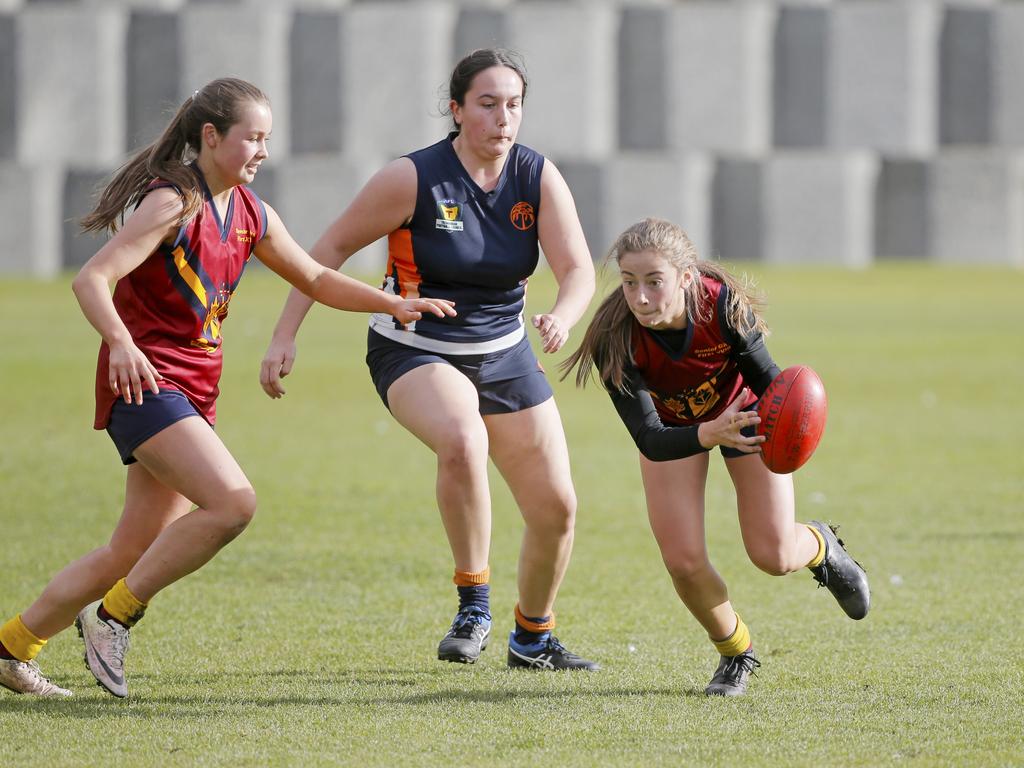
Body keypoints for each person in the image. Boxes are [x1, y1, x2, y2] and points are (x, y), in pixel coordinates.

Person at [0, 78, 455, 699]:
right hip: (147, 382)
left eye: (269, 138)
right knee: (234, 503)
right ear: (211, 137)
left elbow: (318, 277)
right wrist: (123, 343)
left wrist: (395, 304)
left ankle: (11, 648)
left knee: (128, 550)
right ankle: (113, 617)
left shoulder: (250, 211)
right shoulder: (170, 204)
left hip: (193, 391)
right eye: (254, 138)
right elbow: (92, 280)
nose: (263, 151)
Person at [260, 49, 599, 671]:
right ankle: (474, 603)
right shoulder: (413, 178)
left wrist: (563, 315)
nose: (503, 118)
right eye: (487, 104)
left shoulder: (537, 176)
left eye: (514, 105)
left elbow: (578, 268)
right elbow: (325, 250)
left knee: (557, 509)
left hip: (504, 352)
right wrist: (286, 334)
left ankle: (532, 638)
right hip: (414, 348)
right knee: (463, 438)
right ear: (456, 108)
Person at [561, 217, 869, 696]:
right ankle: (736, 652)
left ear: (685, 277)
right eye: (628, 282)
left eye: (654, 282)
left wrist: (783, 428)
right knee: (683, 561)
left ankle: (821, 546)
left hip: (741, 416)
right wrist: (707, 432)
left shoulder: (721, 304)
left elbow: (769, 382)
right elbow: (649, 436)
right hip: (674, 431)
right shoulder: (615, 339)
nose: (640, 298)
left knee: (774, 554)